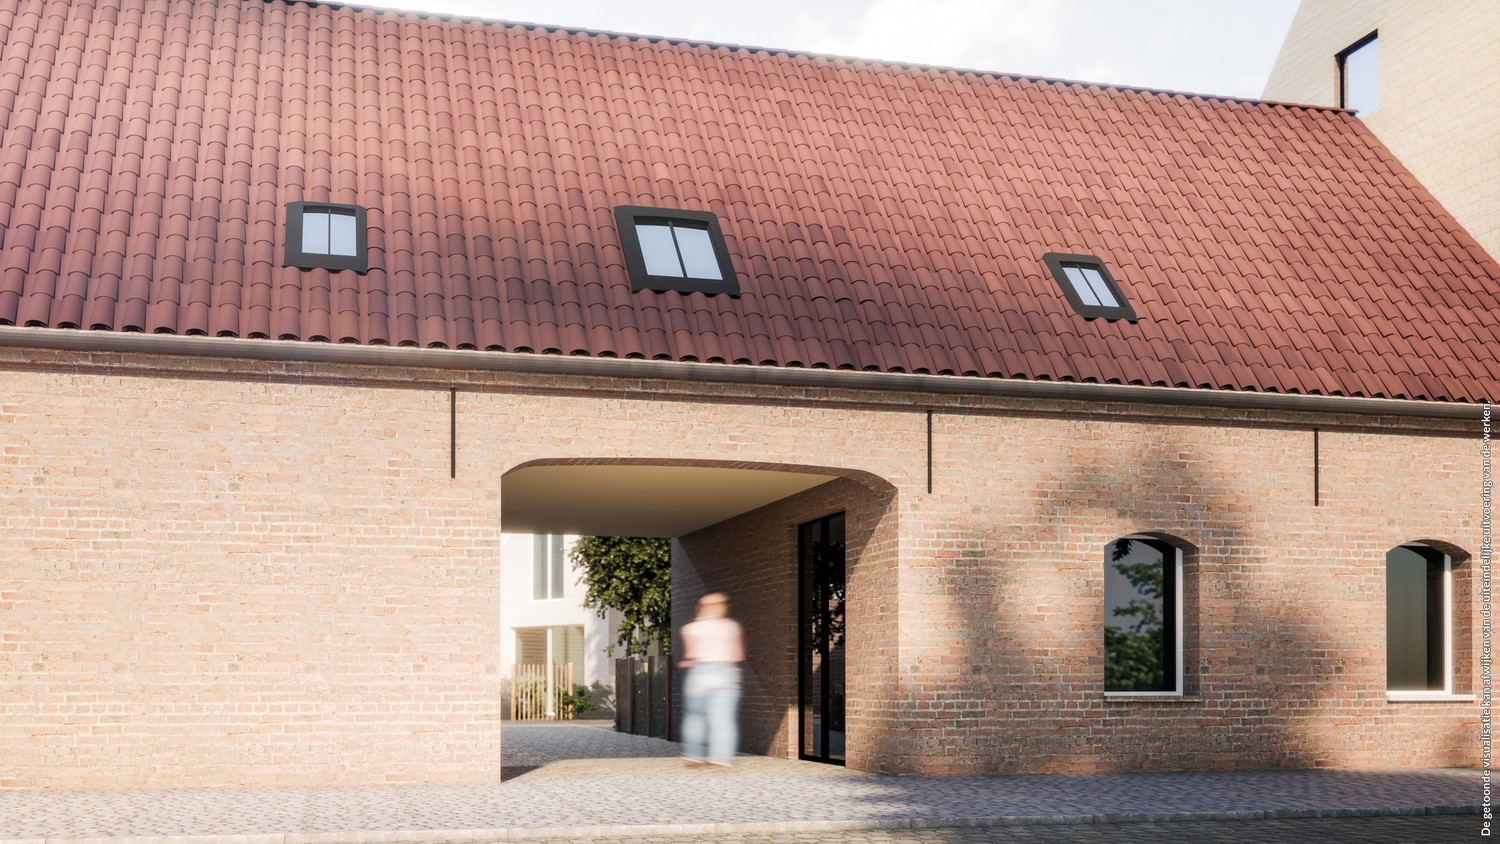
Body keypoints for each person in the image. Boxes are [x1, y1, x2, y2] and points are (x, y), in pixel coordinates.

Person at [678, 592, 744, 768]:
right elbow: (738, 654)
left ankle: (693, 755)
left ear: (701, 608)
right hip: (726, 673)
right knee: (723, 718)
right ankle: (721, 758)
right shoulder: (731, 627)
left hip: (701, 673)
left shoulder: (691, 628)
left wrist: (686, 663)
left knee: (695, 716)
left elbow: (691, 654)